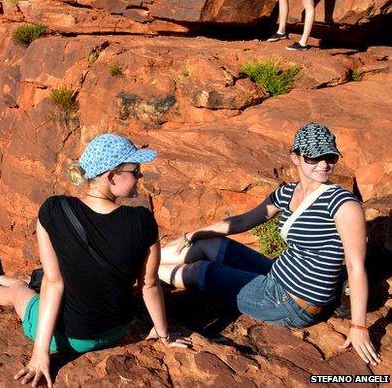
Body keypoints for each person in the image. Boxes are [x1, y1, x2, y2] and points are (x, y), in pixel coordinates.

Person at [0, 134, 191, 387]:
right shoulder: (142, 221)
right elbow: (149, 285)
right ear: (111, 176)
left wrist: (40, 354)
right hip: (116, 330)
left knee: (20, 291)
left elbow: (54, 282)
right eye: (135, 171)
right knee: (29, 283)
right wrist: (164, 334)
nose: (140, 176)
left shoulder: (53, 210)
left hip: (70, 339)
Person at [158, 123, 380, 366]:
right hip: (275, 274)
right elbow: (244, 220)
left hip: (294, 302)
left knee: (198, 271)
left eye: (330, 156)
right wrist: (192, 234)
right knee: (210, 244)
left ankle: (140, 273)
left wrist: (359, 326)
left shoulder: (343, 204)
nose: (323, 164)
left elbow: (355, 265)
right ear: (295, 158)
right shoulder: (288, 193)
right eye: (313, 157)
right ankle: (142, 261)